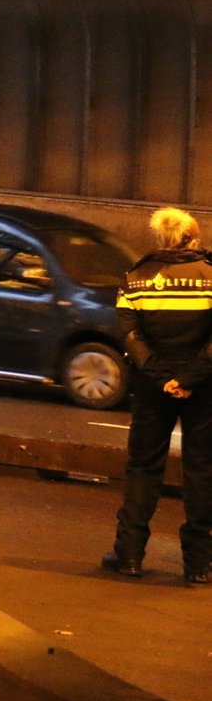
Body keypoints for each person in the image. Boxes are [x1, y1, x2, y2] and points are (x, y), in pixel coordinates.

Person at [102, 207, 212, 583]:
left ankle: (129, 554)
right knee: (202, 468)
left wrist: (163, 377)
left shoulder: (136, 278)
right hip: (205, 385)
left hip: (152, 386)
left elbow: (131, 335)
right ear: (193, 236)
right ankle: (198, 564)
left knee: (144, 466)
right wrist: (189, 377)